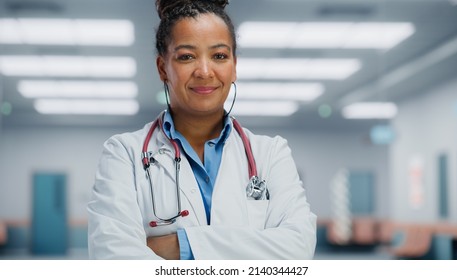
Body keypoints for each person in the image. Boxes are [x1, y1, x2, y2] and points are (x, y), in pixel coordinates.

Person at [87, 0, 317, 260]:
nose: (205, 72)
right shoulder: (123, 154)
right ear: (163, 68)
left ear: (234, 66)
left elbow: (297, 249)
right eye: (187, 56)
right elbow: (114, 259)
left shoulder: (271, 153)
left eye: (219, 56)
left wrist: (181, 245)